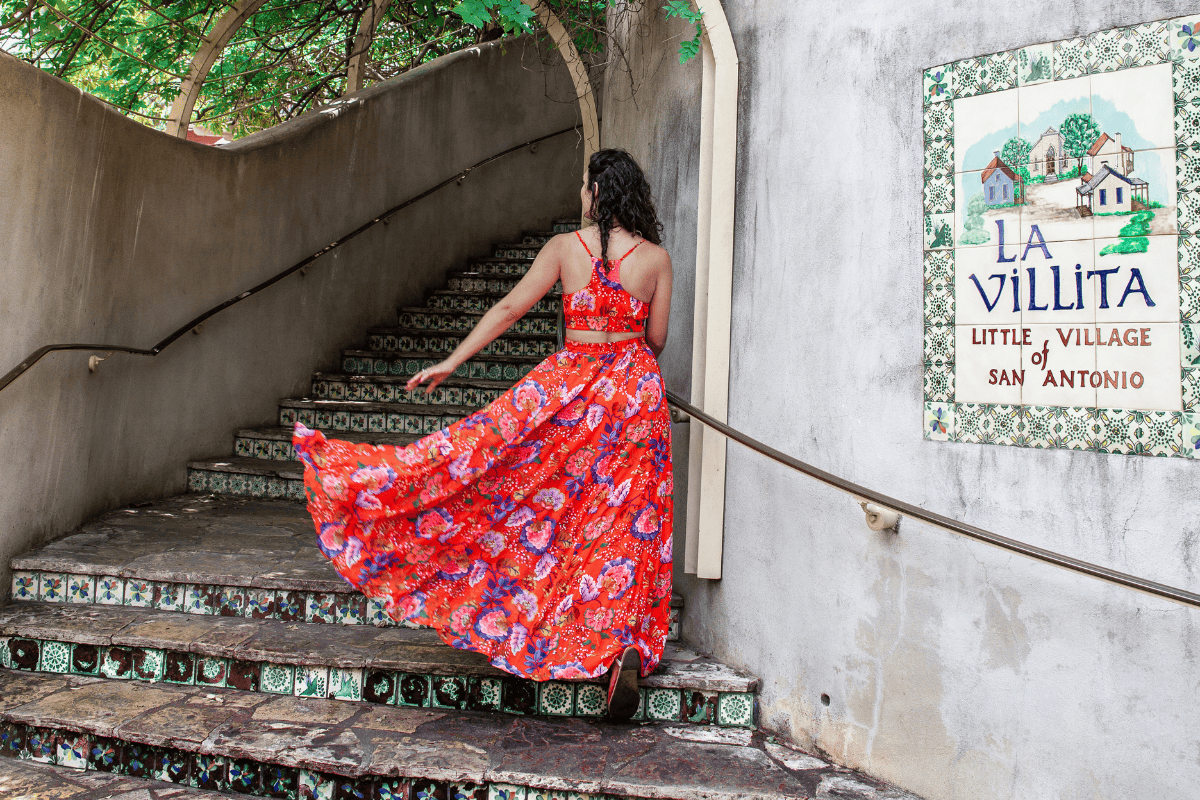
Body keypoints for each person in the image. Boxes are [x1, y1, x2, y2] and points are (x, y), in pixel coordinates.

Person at [292, 148, 674, 721]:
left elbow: (511, 307)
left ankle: (373, 486)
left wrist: (453, 360)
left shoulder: (567, 249)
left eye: (583, 187)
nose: (579, 195)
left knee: (495, 468)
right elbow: (658, 338)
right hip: (633, 397)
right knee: (622, 524)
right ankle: (618, 645)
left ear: (598, 193)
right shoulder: (657, 260)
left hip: (571, 387)